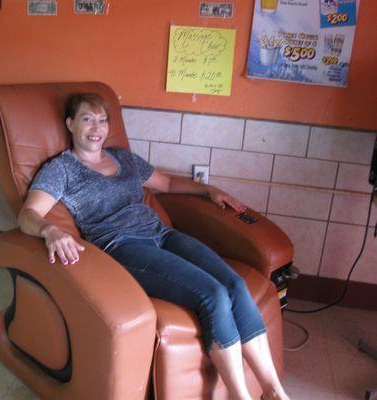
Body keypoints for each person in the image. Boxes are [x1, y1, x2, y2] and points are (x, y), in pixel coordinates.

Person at [18, 93, 290, 400]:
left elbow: (168, 184)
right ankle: (242, 396)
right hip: (121, 246)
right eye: (87, 119)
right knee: (212, 294)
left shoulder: (124, 157)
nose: (97, 128)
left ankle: (274, 391)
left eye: (103, 120)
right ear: (70, 124)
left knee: (234, 285)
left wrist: (209, 190)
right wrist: (50, 231)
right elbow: (27, 214)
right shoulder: (62, 169)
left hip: (161, 235)